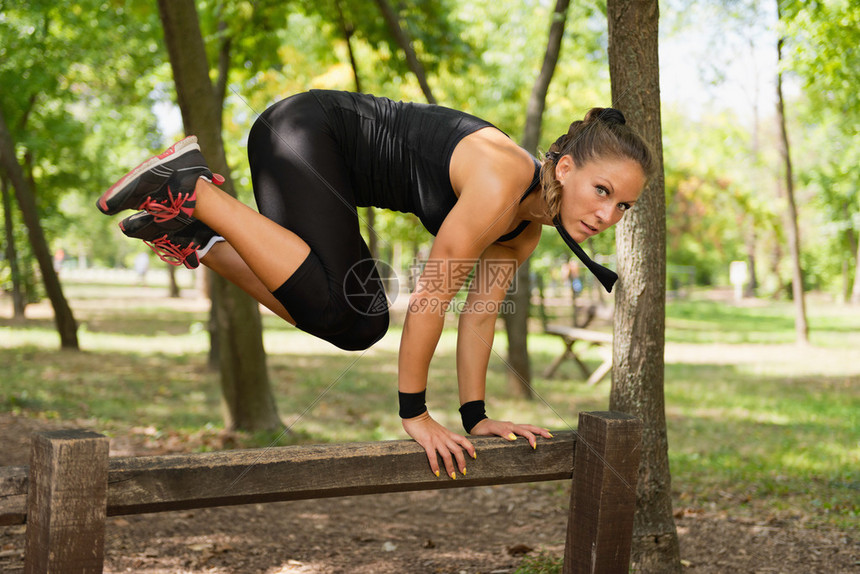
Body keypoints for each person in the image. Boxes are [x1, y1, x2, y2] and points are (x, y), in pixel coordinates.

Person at [97, 90, 654, 479]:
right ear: (564, 169)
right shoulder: (499, 181)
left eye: (623, 204)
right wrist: (415, 415)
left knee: (350, 322)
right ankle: (190, 186)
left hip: (322, 163)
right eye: (602, 190)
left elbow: (479, 317)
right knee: (360, 315)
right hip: (304, 131)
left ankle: (199, 237)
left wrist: (475, 418)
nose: (609, 214)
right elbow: (433, 295)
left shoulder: (524, 232)